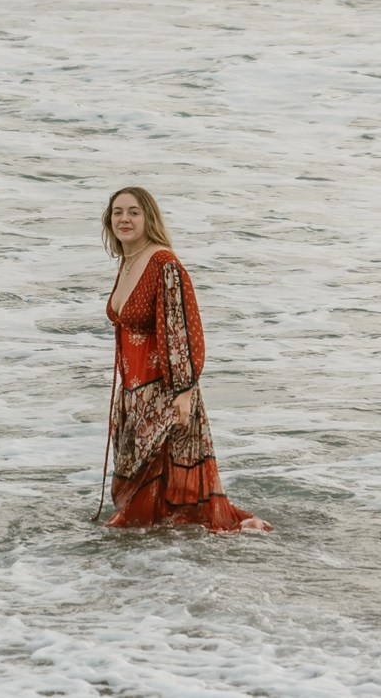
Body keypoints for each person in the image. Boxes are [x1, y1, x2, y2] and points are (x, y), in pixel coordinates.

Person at [98, 186, 271, 532]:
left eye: (134, 211)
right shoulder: (128, 262)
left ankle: (234, 530)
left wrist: (185, 392)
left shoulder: (164, 263)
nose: (125, 219)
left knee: (147, 499)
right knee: (150, 496)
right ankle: (166, 551)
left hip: (164, 391)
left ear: (149, 218)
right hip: (132, 396)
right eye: (118, 212)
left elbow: (182, 328)